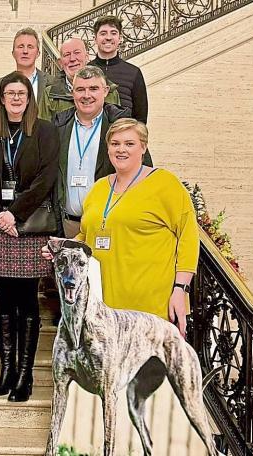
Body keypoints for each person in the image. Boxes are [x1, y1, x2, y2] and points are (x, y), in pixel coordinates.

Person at [42, 118, 197, 337]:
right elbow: (88, 236)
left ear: (143, 147)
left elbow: (188, 238)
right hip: (105, 306)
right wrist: (62, 248)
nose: (121, 149)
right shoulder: (98, 188)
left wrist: (181, 290)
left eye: (129, 143)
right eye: (115, 144)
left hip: (150, 306)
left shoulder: (166, 184)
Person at [0, 72, 59, 402]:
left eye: (20, 93)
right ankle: (7, 369)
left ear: (29, 98)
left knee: (26, 301)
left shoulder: (45, 131)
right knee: (4, 301)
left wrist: (16, 213)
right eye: (9, 93)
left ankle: (25, 375)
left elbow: (46, 178)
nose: (14, 98)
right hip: (0, 225)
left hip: (29, 226)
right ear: (1, 98)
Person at [54, 65, 152, 239]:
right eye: (80, 89)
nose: (86, 95)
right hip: (68, 225)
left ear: (106, 91)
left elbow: (144, 172)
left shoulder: (121, 125)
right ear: (72, 92)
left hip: (109, 227)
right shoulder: (58, 125)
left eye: (93, 88)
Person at [38, 37, 120, 122]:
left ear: (87, 57)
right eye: (67, 55)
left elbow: (116, 128)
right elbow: (43, 131)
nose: (72, 59)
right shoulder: (50, 94)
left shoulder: (110, 92)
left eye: (77, 53)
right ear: (60, 63)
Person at [90, 15, 148, 124]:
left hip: (123, 136)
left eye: (113, 33)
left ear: (120, 38)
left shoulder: (134, 72)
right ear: (95, 39)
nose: (108, 37)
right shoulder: (85, 71)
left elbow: (141, 117)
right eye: (103, 33)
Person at [0, 28, 54, 108]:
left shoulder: (53, 83)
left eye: (30, 47)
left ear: (38, 53)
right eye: (20, 46)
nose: (25, 51)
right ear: (13, 53)